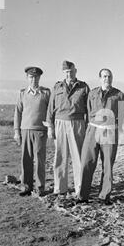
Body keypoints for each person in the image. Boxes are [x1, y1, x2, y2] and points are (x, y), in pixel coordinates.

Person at [76, 69, 124, 204]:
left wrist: (119, 134)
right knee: (87, 162)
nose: (107, 79)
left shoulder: (119, 95)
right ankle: (83, 196)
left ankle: (104, 196)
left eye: (109, 76)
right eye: (104, 76)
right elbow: (87, 111)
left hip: (109, 131)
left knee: (108, 164)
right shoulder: (92, 93)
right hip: (93, 130)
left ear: (112, 78)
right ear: (100, 78)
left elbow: (121, 117)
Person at [46, 60, 89, 196]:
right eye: (66, 72)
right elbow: (50, 108)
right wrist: (50, 127)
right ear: (63, 72)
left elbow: (89, 109)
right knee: (60, 157)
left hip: (77, 123)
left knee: (78, 157)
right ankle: (60, 188)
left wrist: (87, 127)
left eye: (71, 71)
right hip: (59, 123)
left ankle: (79, 188)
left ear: (75, 71)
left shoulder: (83, 87)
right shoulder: (57, 87)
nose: (69, 74)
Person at [14, 66, 50, 196]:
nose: (34, 79)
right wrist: (16, 132)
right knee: (26, 160)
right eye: (31, 77)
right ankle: (26, 186)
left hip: (40, 131)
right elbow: (17, 113)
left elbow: (50, 112)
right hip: (25, 131)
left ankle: (40, 188)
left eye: (36, 77)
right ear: (27, 78)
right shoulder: (22, 93)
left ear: (39, 78)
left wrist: (49, 127)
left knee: (40, 160)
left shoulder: (46, 93)